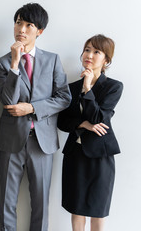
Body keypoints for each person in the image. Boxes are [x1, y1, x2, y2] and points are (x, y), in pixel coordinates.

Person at [0, 3, 71, 231]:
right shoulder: (2, 63)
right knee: (7, 201)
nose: (22, 29)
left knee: (41, 202)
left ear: (40, 31)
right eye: (18, 22)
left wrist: (32, 108)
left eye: (29, 25)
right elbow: (8, 100)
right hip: (10, 140)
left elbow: (64, 98)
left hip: (42, 142)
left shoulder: (52, 60)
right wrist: (15, 63)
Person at [57, 34, 123, 231]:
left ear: (106, 60)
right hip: (75, 155)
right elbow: (62, 121)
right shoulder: (70, 88)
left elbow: (99, 118)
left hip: (100, 157)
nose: (89, 55)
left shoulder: (113, 87)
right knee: (76, 209)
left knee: (97, 211)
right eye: (87, 50)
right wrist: (83, 124)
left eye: (96, 52)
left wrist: (87, 88)